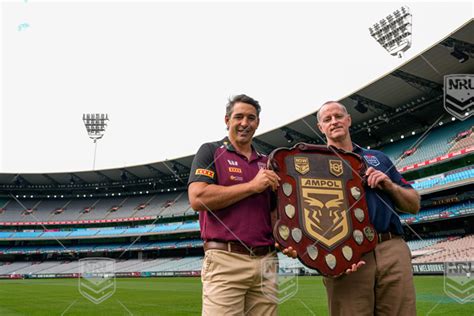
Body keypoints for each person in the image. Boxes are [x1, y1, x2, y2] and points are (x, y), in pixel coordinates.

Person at [316, 101, 420, 316]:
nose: (334, 121)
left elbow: (414, 205)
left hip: (391, 246)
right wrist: (332, 254)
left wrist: (389, 185)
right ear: (320, 127)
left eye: (338, 116)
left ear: (348, 120)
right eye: (327, 119)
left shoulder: (378, 158)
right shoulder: (315, 165)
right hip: (348, 251)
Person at [188, 94, 281, 315]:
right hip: (225, 260)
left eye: (251, 118)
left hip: (266, 261)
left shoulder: (268, 162)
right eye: (238, 117)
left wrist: (289, 240)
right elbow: (198, 198)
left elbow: (276, 213)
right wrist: (252, 186)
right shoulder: (210, 151)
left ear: (257, 123)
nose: (244, 123)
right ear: (227, 120)